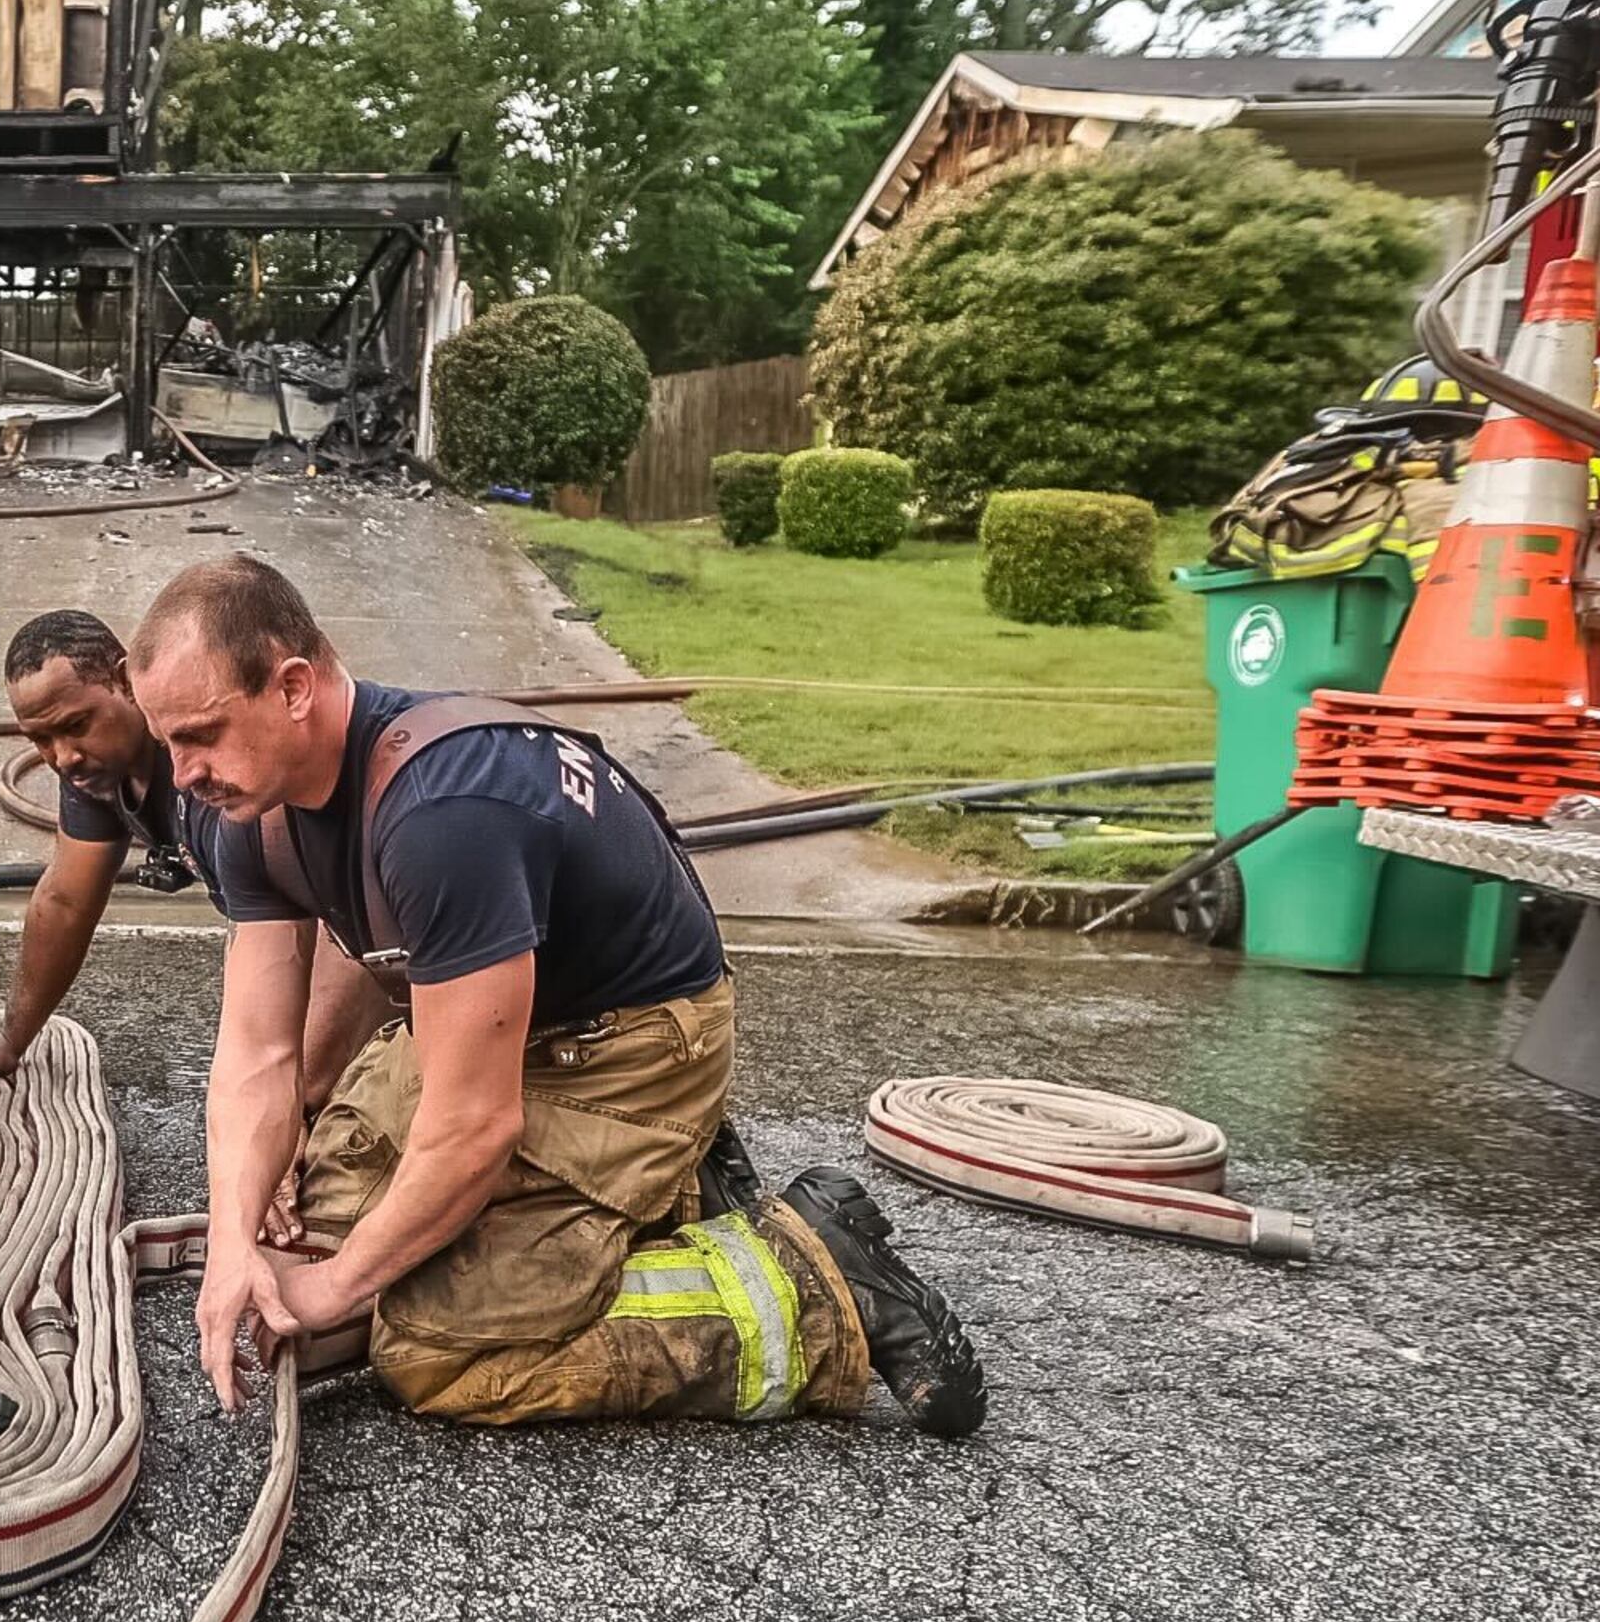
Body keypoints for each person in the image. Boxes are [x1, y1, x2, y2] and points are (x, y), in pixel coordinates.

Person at [128, 553, 987, 1437]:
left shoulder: (442, 813)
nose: (183, 773)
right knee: (326, 1216)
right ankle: (665, 1197)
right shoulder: (250, 811)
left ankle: (813, 1278)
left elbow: (474, 1128)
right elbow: (256, 1058)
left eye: (201, 734)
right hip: (507, 1027)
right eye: (168, 743)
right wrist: (233, 1245)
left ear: (295, 687)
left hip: (635, 1047)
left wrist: (328, 1292)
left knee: (431, 1347)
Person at [0, 608, 385, 1120]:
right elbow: (64, 900)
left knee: (328, 1124)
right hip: (327, 925)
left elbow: (327, 928)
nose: (63, 757)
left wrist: (296, 1097)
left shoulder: (216, 774)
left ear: (127, 682)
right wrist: (12, 1038)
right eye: (41, 740)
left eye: (76, 725)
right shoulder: (97, 768)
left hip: (387, 932)